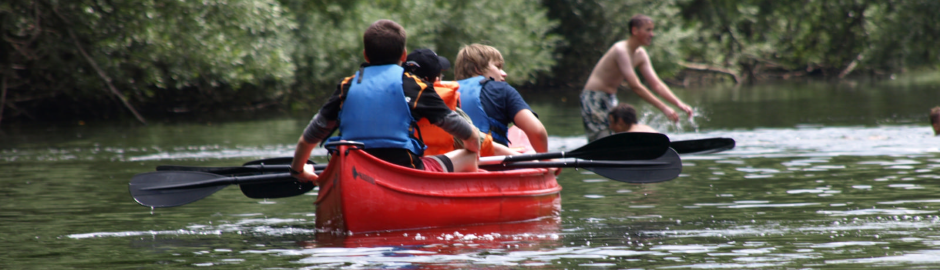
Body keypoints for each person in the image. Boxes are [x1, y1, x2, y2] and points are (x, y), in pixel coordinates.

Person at [288, 20, 480, 183]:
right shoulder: (415, 86)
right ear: (404, 55)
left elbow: (308, 138)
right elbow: (464, 131)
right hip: (405, 171)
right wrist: (475, 149)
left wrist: (298, 172)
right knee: (469, 155)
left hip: (351, 172)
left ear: (366, 55)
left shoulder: (346, 87)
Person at [580, 14, 693, 142]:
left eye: (652, 30)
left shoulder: (641, 54)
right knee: (603, 140)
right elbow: (635, 86)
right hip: (594, 98)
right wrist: (664, 108)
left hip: (610, 98)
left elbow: (656, 84)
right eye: (648, 30)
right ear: (634, 30)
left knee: (621, 134)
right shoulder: (621, 50)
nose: (652, 34)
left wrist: (679, 104)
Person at [406, 48, 524, 157]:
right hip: (432, 167)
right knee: (470, 154)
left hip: (400, 161)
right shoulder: (441, 106)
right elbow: (480, 142)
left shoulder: (393, 99)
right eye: (440, 75)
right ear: (435, 80)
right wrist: (519, 157)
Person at [453, 43, 549, 154]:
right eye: (498, 67)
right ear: (478, 69)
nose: (504, 74)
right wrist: (546, 158)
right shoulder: (501, 89)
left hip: (450, 163)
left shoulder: (443, 91)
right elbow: (537, 131)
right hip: (492, 161)